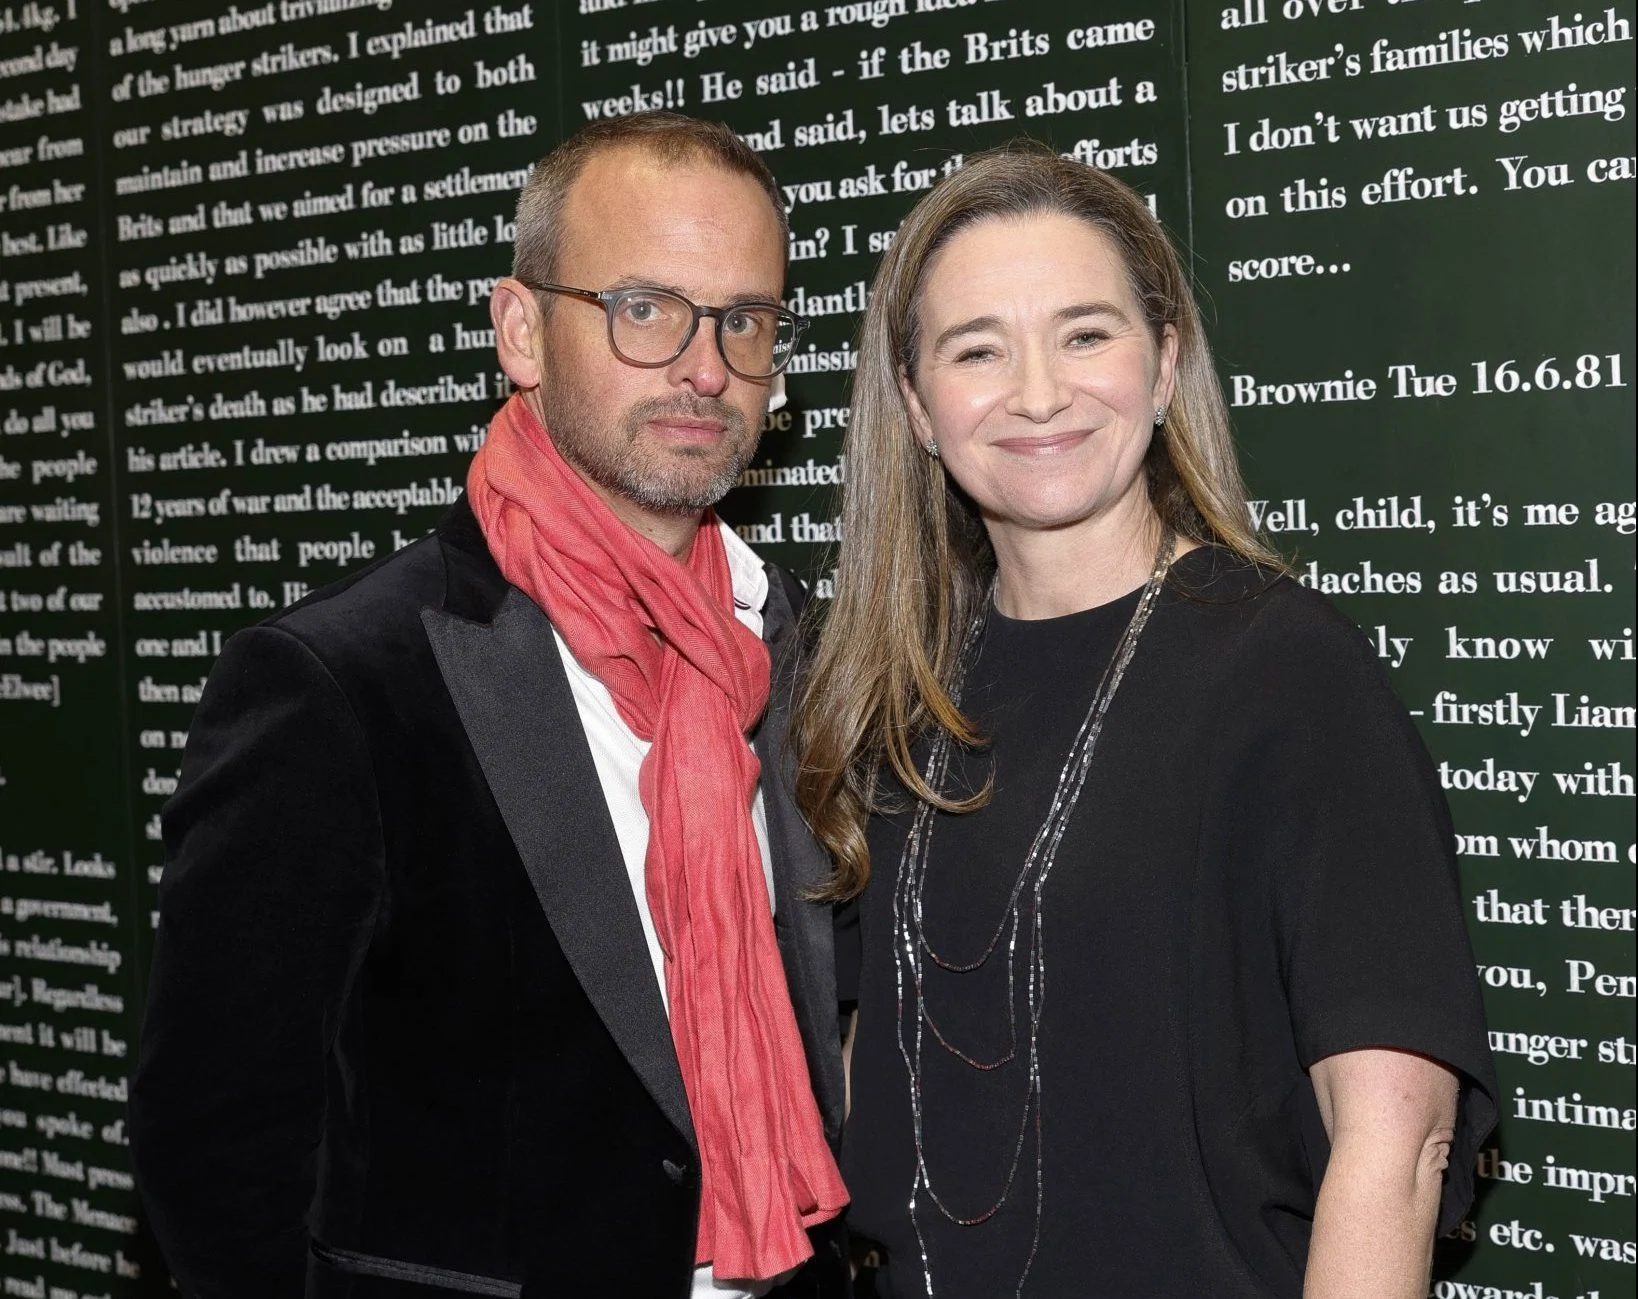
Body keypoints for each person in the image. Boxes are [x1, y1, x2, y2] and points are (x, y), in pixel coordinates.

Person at [131, 112, 850, 1299]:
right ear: (520, 330)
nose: (706, 366)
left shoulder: (791, 651)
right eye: (646, 308)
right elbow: (214, 1154)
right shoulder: (339, 685)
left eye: (746, 320)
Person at [793, 143, 1497, 1299]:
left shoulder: (1289, 672)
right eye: (978, 350)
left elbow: (1397, 1143)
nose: (1038, 394)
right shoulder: (895, 685)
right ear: (916, 405)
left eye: (1086, 334)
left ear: (1165, 365)